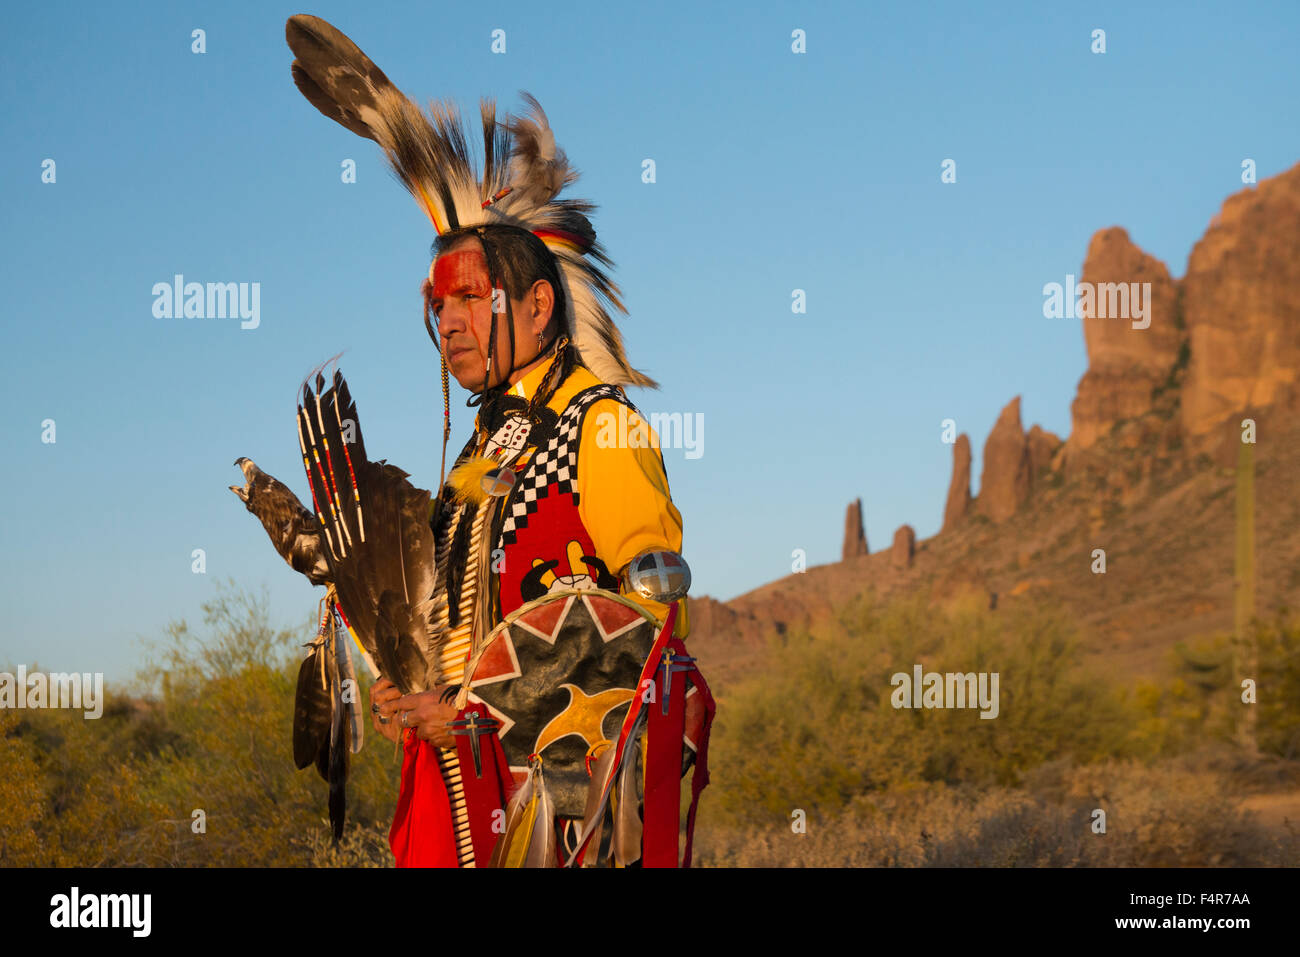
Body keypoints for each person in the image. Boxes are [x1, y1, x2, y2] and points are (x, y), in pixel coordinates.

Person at [281, 15, 710, 867]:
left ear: (540, 308)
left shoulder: (603, 428)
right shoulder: (479, 459)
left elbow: (658, 637)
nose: (449, 324)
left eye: (471, 300)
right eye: (437, 306)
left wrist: (487, 716)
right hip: (450, 792)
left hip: (554, 814)